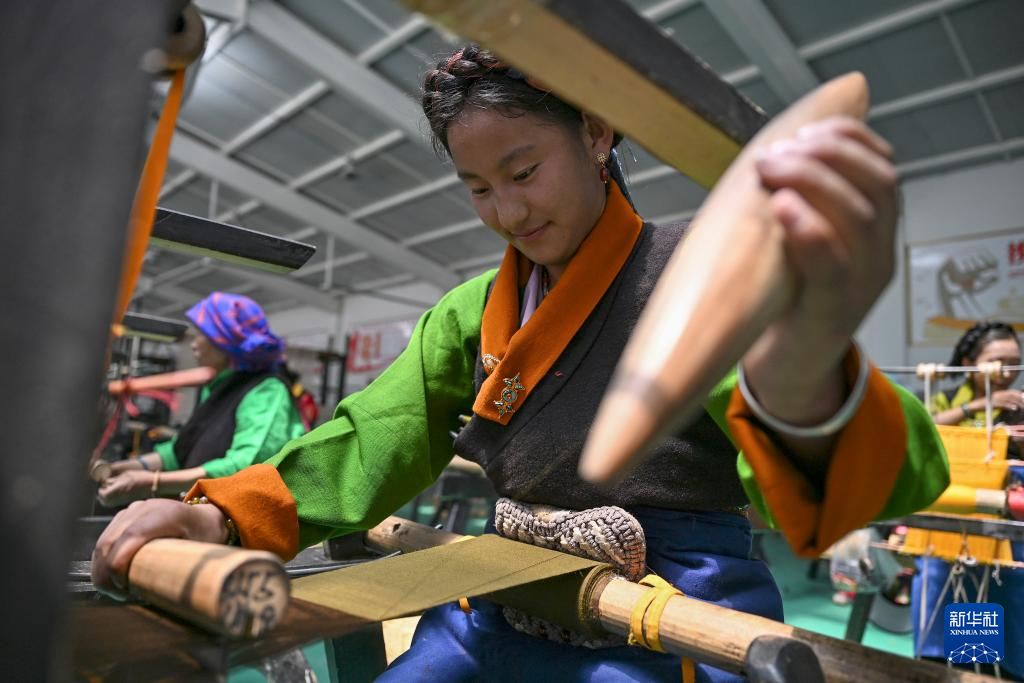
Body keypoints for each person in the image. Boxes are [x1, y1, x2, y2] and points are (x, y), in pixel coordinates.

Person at [93, 45, 949, 681]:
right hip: (507, 591)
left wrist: (801, 369)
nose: (506, 211)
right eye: (478, 187)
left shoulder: (696, 278)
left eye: (524, 171)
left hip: (671, 605)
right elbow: (372, 437)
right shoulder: (471, 313)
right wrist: (223, 516)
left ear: (597, 132)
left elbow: (889, 479)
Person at [97, 292, 307, 506]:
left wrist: (153, 482)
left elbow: (246, 465)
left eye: (200, 334)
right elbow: (179, 451)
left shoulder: (267, 390)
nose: (193, 344)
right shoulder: (220, 385)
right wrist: (120, 468)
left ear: (223, 343)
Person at [915, 320, 1024, 679]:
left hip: (1001, 526)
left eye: (1015, 362)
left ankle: (987, 670)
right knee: (952, 586)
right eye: (996, 362)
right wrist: (982, 406)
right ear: (969, 363)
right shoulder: (944, 399)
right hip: (950, 523)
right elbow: (925, 430)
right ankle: (949, 668)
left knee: (994, 593)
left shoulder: (1019, 406)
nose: (1006, 372)